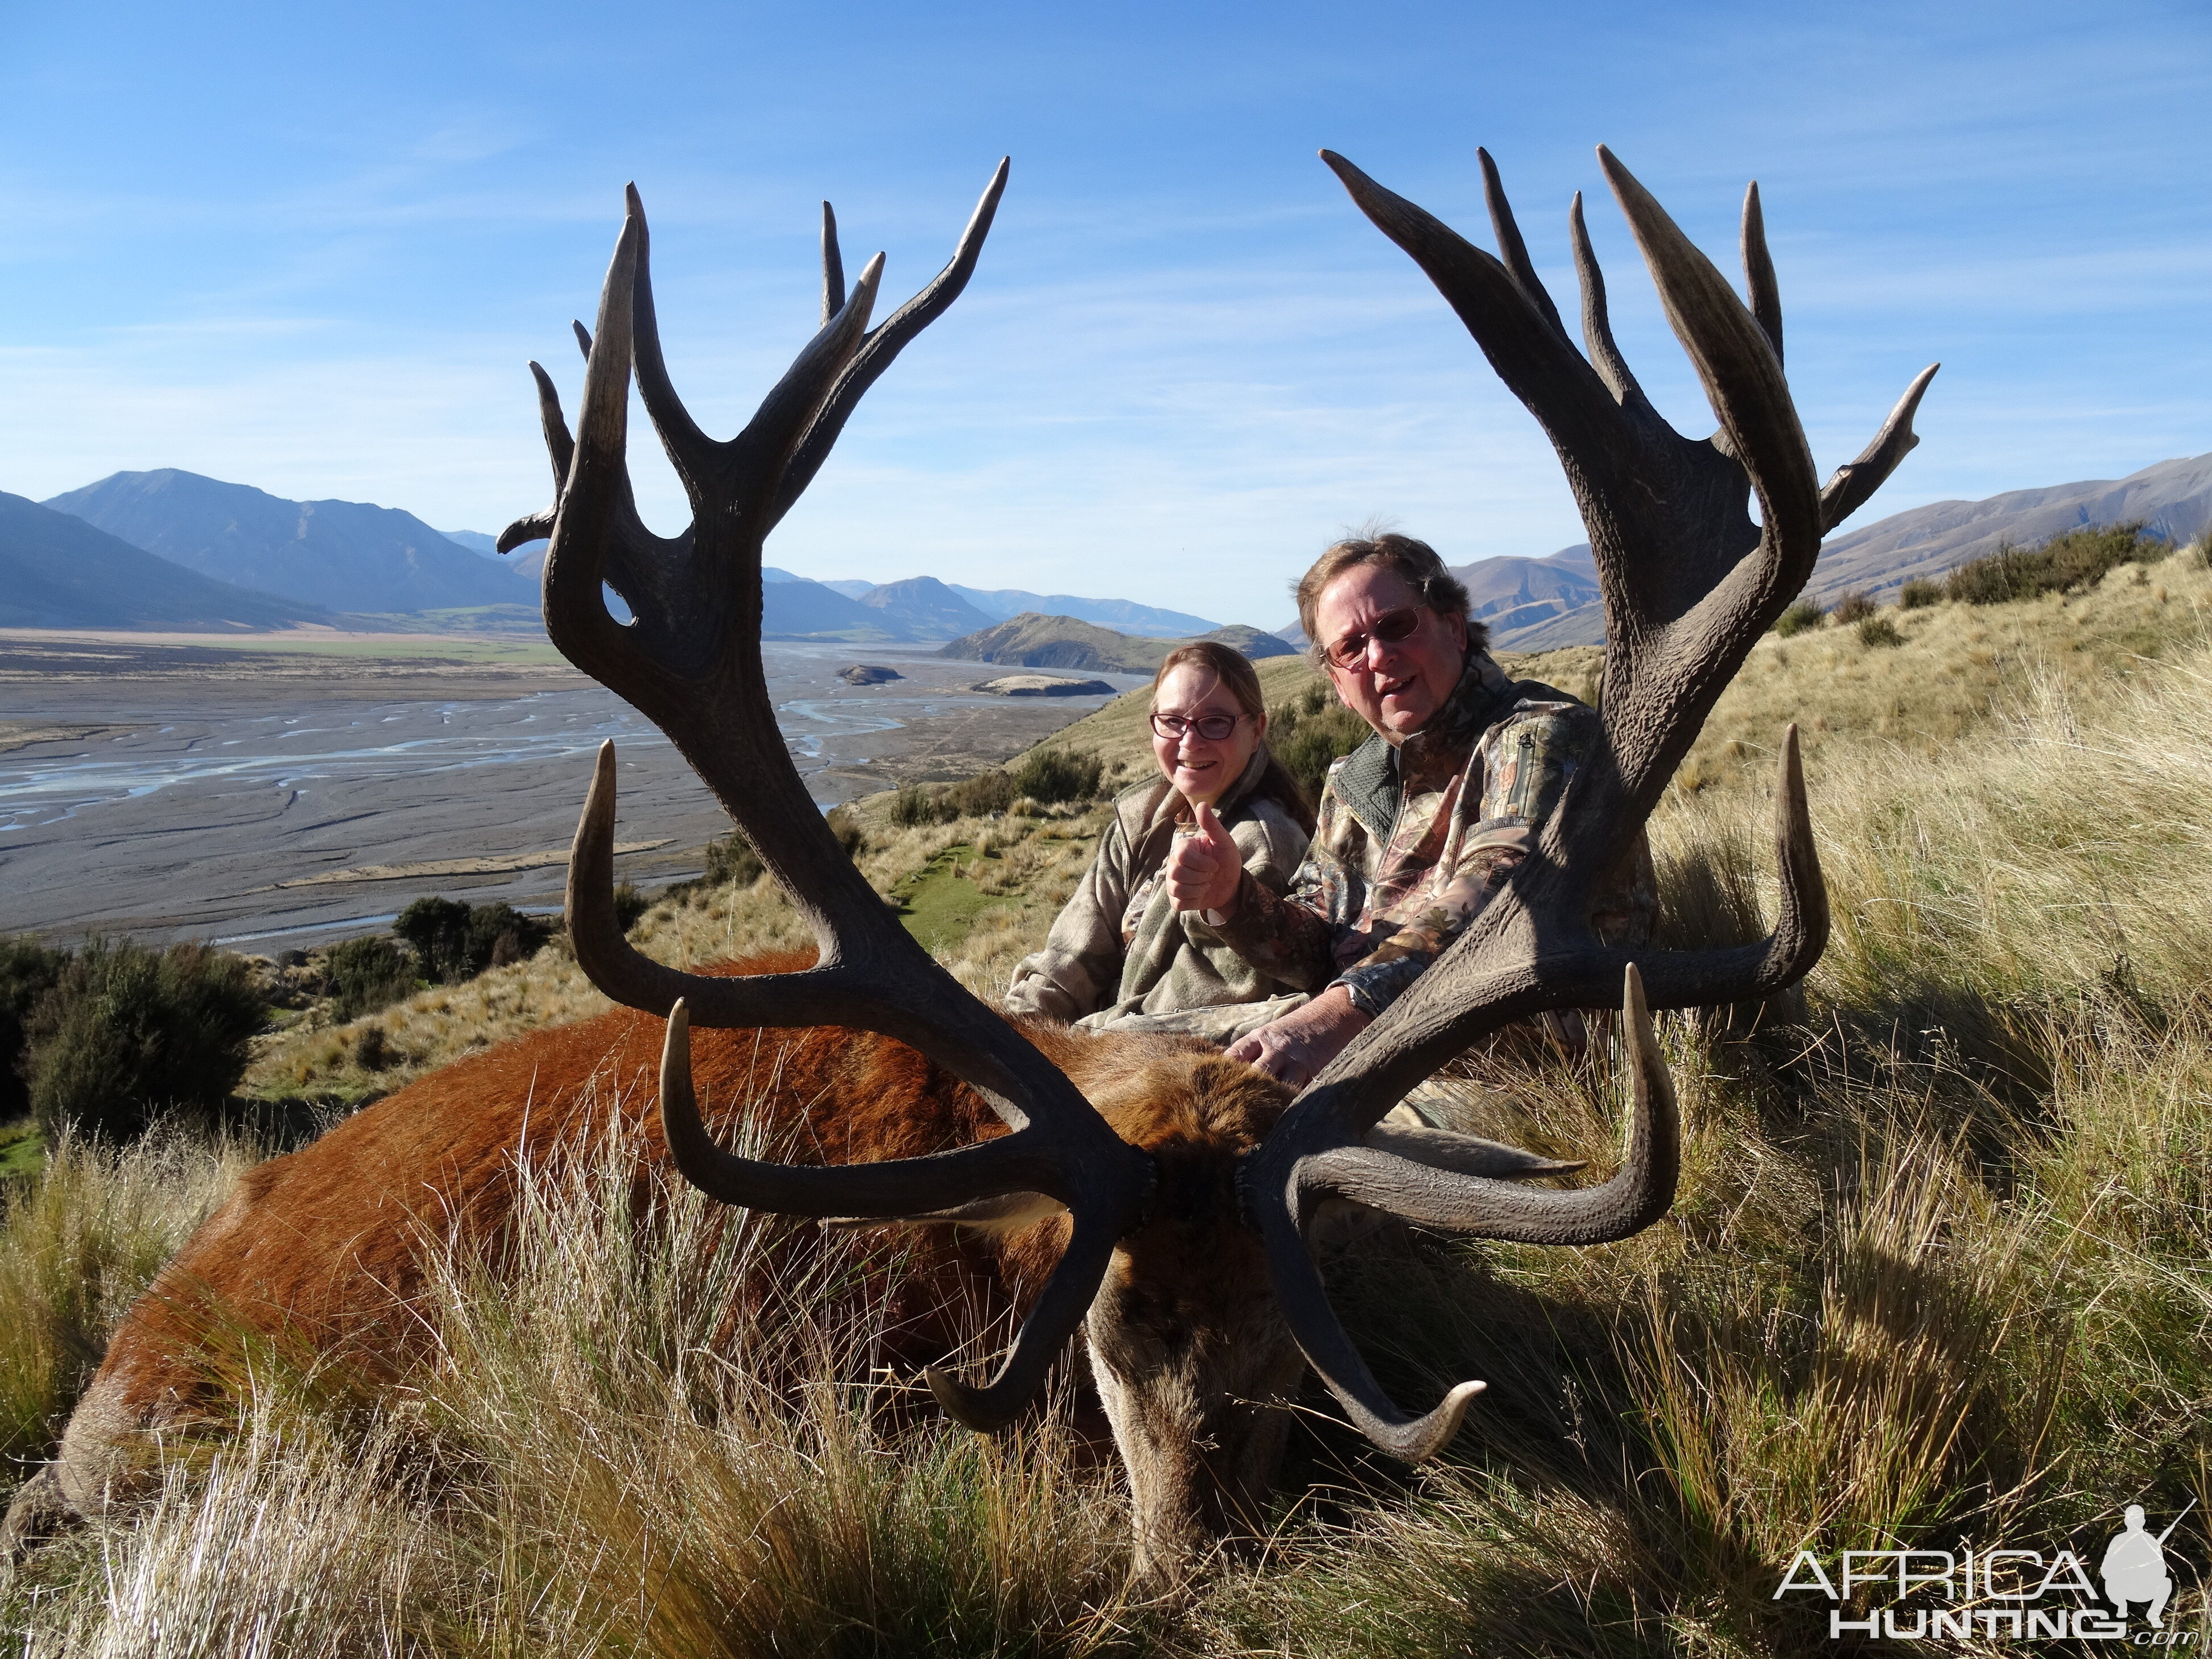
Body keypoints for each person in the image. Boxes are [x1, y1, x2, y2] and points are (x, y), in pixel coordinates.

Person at [1164, 533, 1654, 1090]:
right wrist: (1235, 899)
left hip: (1526, 1075)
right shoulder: (1356, 782)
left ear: (1453, 626)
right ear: (1338, 684)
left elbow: (1500, 896)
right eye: (1350, 647)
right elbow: (1319, 947)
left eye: (1396, 626)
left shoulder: (1547, 738)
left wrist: (1335, 1017)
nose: (1378, 655)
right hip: (1379, 1048)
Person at [1002, 641, 1316, 1039]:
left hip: (1146, 1076)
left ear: (1257, 730)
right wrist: (1014, 1030)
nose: (1189, 741)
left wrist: (1063, 1045)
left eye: (1215, 721)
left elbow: (1183, 1017)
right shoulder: (1144, 819)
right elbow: (1071, 954)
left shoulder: (1262, 847)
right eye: (1172, 721)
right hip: (1091, 1051)